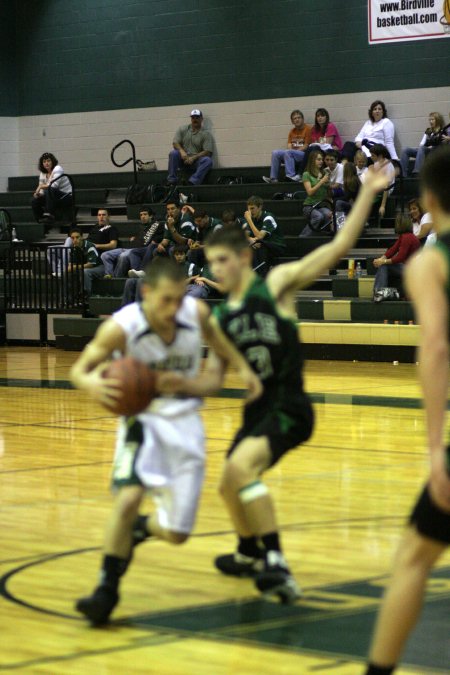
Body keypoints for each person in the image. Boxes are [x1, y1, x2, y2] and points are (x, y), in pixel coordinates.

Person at [200, 168, 390, 603]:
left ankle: (277, 563)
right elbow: (212, 378)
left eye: (224, 260)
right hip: (257, 411)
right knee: (229, 484)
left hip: (289, 405)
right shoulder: (222, 319)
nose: (218, 270)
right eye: (212, 264)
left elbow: (339, 246)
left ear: (244, 257)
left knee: (241, 471)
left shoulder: (276, 287)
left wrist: (368, 193)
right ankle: (248, 551)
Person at [71, 257, 261, 626]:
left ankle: (142, 528)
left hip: (185, 425)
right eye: (165, 301)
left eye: (179, 300)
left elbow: (221, 346)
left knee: (176, 533)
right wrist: (94, 383)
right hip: (142, 421)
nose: (174, 309)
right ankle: (105, 591)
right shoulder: (124, 326)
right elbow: (79, 369)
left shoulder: (197, 313)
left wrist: (244, 373)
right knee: (127, 499)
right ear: (146, 293)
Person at [365, 146, 450, 674]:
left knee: (414, 559)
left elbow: (437, 349)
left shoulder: (429, 263)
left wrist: (435, 449)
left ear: (427, 199)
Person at [128, 201, 192, 277]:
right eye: (168, 209)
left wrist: (171, 227)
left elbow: (182, 241)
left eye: (172, 209)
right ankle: (142, 271)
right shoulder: (168, 220)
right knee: (152, 247)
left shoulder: (185, 220)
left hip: (185, 245)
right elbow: (166, 239)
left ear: (178, 209)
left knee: (172, 250)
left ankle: (176, 274)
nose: (170, 211)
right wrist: (161, 244)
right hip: (173, 244)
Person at [121, 244, 199, 307]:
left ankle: (140, 310)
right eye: (177, 254)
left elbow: (188, 281)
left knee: (141, 281)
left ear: (186, 255)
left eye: (181, 254)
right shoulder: (170, 265)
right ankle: (125, 310)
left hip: (173, 288)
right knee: (130, 281)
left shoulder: (191, 266)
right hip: (162, 283)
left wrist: (191, 278)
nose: (179, 257)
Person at [101, 208, 161, 278]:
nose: (143, 217)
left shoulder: (156, 226)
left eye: (145, 214)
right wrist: (135, 238)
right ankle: (109, 275)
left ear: (151, 216)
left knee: (123, 256)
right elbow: (140, 237)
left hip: (136, 250)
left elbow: (154, 242)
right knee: (105, 255)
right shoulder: (141, 227)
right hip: (128, 248)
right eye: (141, 215)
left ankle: (116, 279)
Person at [372, 214, 420, 301]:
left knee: (384, 265)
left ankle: (378, 292)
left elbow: (400, 258)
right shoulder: (404, 236)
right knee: (383, 264)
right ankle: (378, 292)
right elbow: (392, 250)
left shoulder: (407, 237)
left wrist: (383, 262)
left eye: (397, 222)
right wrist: (381, 259)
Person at [262, 110, 312, 184]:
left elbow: (306, 146)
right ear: (292, 121)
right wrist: (290, 151)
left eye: (299, 117)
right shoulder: (292, 131)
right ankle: (273, 179)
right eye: (295, 118)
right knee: (275, 153)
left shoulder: (308, 129)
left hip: (304, 155)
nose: (297, 119)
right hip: (292, 153)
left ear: (302, 119)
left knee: (289, 152)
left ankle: (290, 176)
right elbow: (289, 145)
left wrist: (292, 152)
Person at [242, 195, 286, 276]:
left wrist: (249, 220)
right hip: (263, 244)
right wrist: (250, 239)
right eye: (248, 209)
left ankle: (262, 275)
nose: (250, 211)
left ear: (260, 207)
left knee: (260, 245)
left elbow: (260, 236)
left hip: (277, 245)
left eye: (252, 208)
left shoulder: (268, 217)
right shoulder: (253, 218)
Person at [167, 109, 213, 186]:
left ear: (201, 119)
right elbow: (175, 143)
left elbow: (207, 152)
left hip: (196, 161)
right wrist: (182, 152)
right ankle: (172, 180)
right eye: (193, 117)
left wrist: (193, 158)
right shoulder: (182, 129)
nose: (195, 119)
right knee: (173, 153)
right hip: (183, 159)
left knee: (208, 160)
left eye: (197, 117)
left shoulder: (206, 134)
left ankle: (193, 182)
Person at [31, 152, 72, 224]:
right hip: (52, 196)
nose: (46, 163)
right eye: (44, 162)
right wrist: (38, 194)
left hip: (66, 196)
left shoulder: (58, 168)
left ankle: (50, 215)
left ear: (52, 161)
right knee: (34, 200)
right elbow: (41, 191)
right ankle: (40, 219)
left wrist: (40, 186)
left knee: (49, 190)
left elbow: (53, 186)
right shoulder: (42, 174)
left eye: (48, 161)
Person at [400, 112, 446, 177]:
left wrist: (431, 146)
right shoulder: (428, 130)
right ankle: (402, 174)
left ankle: (417, 172)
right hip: (425, 150)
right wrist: (422, 148)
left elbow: (442, 145)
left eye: (432, 119)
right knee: (406, 150)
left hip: (435, 152)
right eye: (429, 120)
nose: (430, 121)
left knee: (422, 148)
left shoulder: (442, 131)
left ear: (438, 120)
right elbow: (422, 143)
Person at [300, 150, 333, 236]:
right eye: (318, 159)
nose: (321, 161)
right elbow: (310, 192)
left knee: (328, 215)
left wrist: (328, 184)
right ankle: (302, 237)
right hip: (309, 206)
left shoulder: (324, 173)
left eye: (322, 159)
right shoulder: (306, 174)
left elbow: (328, 192)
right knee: (318, 217)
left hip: (322, 205)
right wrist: (321, 181)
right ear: (312, 160)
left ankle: (319, 236)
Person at [67, 226, 104, 298]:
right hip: (83, 267)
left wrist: (74, 267)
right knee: (66, 273)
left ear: (82, 237)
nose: (75, 240)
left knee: (85, 271)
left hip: (99, 268)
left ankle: (87, 296)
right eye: (72, 238)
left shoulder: (90, 246)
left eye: (77, 237)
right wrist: (70, 268)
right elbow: (70, 266)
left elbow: (90, 264)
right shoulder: (73, 248)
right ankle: (68, 298)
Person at [363, 144, 396, 220]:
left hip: (386, 189)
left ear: (380, 156)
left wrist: (382, 206)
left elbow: (386, 186)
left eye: (373, 155)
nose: (371, 157)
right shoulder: (376, 164)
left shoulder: (388, 165)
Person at [334, 162, 361, 231]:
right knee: (339, 203)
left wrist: (333, 201)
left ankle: (340, 228)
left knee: (338, 203)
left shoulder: (352, 180)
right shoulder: (355, 179)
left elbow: (347, 197)